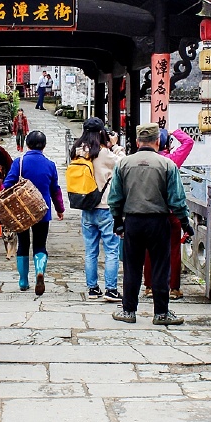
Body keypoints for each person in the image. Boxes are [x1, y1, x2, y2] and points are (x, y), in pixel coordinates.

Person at [108, 123, 194, 326]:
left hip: (133, 221)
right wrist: (185, 223)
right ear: (157, 141)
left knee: (132, 267)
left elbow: (115, 197)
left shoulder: (124, 164)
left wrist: (118, 222)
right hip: (158, 221)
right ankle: (161, 312)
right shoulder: (167, 165)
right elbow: (177, 200)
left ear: (138, 142)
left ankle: (128, 310)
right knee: (160, 267)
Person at [2, 129, 64, 295]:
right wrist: (60, 209)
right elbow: (55, 190)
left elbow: (7, 185)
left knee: (23, 244)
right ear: (44, 146)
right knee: (40, 245)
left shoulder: (19, 162)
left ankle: (23, 281)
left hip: (22, 212)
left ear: (27, 144)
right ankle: (40, 272)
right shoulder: (50, 165)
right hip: (42, 211)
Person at [70, 118, 121, 302]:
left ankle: (92, 288)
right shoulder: (104, 153)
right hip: (105, 207)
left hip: (86, 206)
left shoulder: (77, 151)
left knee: (90, 251)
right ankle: (111, 289)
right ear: (101, 132)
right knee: (111, 250)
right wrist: (115, 146)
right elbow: (123, 164)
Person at [143, 127, 195, 301]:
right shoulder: (172, 160)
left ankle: (149, 286)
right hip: (171, 213)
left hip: (150, 211)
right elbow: (188, 142)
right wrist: (175, 131)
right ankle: (173, 288)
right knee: (173, 249)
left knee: (150, 249)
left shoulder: (145, 160)